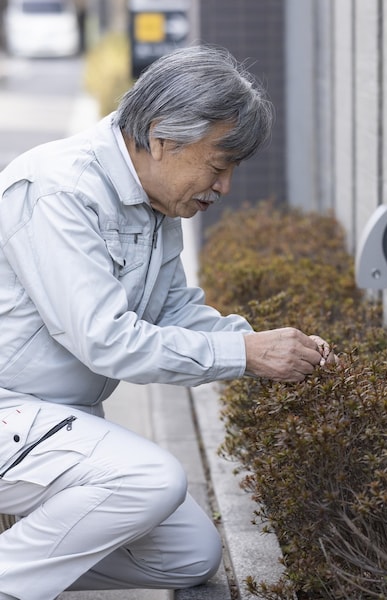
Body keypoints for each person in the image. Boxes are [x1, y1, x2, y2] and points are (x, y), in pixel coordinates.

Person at [0, 45, 333, 600]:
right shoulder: (58, 189)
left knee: (188, 556)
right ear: (162, 138)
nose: (223, 188)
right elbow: (106, 342)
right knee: (151, 478)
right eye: (218, 166)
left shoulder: (154, 202)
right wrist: (246, 355)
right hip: (8, 408)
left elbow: (174, 311)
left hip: (56, 421)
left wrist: (262, 345)